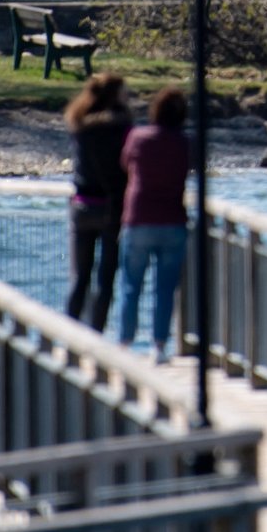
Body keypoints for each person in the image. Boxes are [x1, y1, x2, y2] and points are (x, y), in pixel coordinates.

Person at [116, 86, 189, 362]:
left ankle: (124, 342)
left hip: (138, 219)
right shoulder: (183, 142)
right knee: (165, 288)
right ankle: (158, 346)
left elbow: (125, 164)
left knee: (131, 285)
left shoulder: (138, 137)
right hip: (172, 221)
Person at [63, 73, 132, 332]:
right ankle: (95, 336)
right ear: (115, 95)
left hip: (81, 205)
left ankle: (69, 336)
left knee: (79, 278)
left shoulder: (79, 126)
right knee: (105, 280)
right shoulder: (123, 128)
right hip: (111, 207)